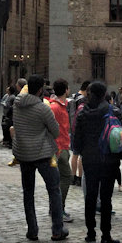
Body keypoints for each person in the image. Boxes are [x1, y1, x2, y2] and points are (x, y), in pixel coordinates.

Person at [73, 80, 122, 243]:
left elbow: (77, 139)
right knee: (106, 197)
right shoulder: (113, 111)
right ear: (104, 94)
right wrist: (120, 156)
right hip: (109, 160)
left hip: (90, 160)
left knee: (90, 196)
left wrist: (83, 153)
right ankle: (106, 235)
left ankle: (90, 233)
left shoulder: (83, 112)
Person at [12, 75, 67, 242]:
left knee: (28, 192)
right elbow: (56, 131)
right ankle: (57, 230)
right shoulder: (43, 108)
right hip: (43, 153)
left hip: (24, 153)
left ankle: (32, 230)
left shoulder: (17, 105)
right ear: (40, 89)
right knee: (54, 189)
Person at [49, 79, 73, 223]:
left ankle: (55, 207)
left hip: (62, 146)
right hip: (59, 148)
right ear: (66, 90)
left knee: (59, 179)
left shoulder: (60, 106)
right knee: (66, 177)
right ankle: (58, 208)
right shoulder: (55, 107)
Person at [68, 81, 88, 185]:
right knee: (81, 155)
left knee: (74, 154)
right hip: (81, 131)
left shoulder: (73, 97)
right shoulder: (82, 100)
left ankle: (72, 177)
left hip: (73, 129)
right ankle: (79, 178)